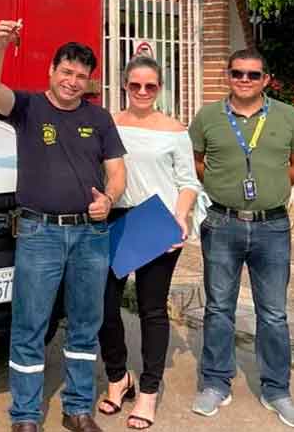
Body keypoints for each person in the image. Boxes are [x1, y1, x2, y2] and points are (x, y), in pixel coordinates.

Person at [0, 20, 126, 432]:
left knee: (84, 325)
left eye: (81, 76)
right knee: (30, 325)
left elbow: (117, 172)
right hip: (38, 233)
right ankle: (25, 415)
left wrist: (109, 200)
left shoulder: (99, 119)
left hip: (90, 236)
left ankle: (78, 409)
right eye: (66, 72)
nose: (72, 81)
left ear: (89, 81)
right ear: (52, 71)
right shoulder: (27, 108)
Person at [188, 48, 294, 428]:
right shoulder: (208, 116)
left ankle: (277, 390)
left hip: (272, 227)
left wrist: (278, 184)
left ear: (266, 79)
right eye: (238, 73)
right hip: (222, 223)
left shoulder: (287, 115)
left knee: (273, 313)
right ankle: (215, 383)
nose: (244, 80)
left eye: (253, 75)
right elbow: (195, 158)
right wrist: (216, 183)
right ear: (228, 76)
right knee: (218, 308)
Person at [96, 55, 200, 430]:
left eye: (150, 86)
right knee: (105, 305)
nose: (142, 91)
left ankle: (149, 392)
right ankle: (118, 375)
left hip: (158, 222)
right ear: (124, 85)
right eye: (134, 85)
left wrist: (180, 217)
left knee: (151, 309)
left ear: (159, 88)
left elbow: (188, 180)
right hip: (116, 219)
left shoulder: (174, 130)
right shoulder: (107, 123)